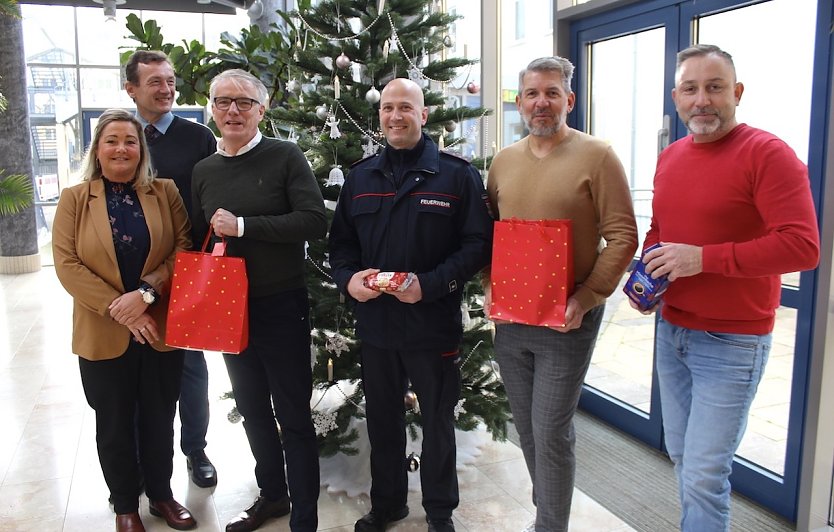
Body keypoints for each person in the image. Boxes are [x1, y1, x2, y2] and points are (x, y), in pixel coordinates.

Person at [634, 44, 820, 532]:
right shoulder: (670, 157)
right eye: (691, 89)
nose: (702, 100)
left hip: (733, 341)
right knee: (682, 455)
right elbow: (661, 230)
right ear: (676, 97)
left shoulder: (768, 154)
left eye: (714, 88)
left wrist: (704, 259)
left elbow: (803, 247)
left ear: (736, 93)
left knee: (703, 471)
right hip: (672, 331)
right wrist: (647, 275)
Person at [328, 77, 494, 532]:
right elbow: (340, 247)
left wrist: (431, 284)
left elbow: (478, 245)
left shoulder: (457, 175)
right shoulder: (360, 177)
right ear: (378, 115)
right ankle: (388, 505)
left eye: (405, 107)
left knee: (437, 421)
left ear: (423, 115)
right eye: (387, 108)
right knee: (383, 420)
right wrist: (349, 280)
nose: (395, 116)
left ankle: (440, 511)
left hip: (432, 322)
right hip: (376, 324)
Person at [485, 56, 638, 532]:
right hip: (511, 320)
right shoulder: (503, 161)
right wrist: (490, 285)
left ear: (569, 100)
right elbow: (491, 231)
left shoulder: (598, 156)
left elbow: (623, 235)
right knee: (528, 430)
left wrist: (588, 297)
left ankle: (550, 525)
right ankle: (547, 507)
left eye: (551, 93)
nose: (541, 102)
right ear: (520, 101)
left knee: (550, 430)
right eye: (532, 93)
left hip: (566, 319)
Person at [191, 68, 326, 532]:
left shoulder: (286, 157)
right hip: (230, 310)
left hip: (280, 304)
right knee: (251, 410)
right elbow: (201, 237)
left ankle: (304, 518)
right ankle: (273, 496)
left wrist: (246, 226)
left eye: (244, 102)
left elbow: (313, 221)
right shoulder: (204, 171)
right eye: (223, 101)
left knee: (293, 414)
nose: (232, 110)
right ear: (211, 107)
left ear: (261, 110)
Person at [52, 108, 195, 532]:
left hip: (159, 328)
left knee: (159, 416)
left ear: (141, 150)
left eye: (130, 141)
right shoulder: (75, 199)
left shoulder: (164, 191)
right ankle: (125, 504)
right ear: (97, 149)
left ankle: (162, 496)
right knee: (113, 422)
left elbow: (183, 251)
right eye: (111, 140)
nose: (121, 148)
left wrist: (147, 293)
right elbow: (66, 263)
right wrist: (123, 308)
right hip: (103, 332)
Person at [123, 49, 219, 489]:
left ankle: (195, 449)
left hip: (185, 270)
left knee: (189, 366)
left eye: (169, 80)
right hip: (129, 275)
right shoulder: (123, 136)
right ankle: (143, 458)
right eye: (154, 82)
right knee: (137, 367)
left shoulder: (198, 137)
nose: (165, 89)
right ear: (131, 89)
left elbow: (211, 201)